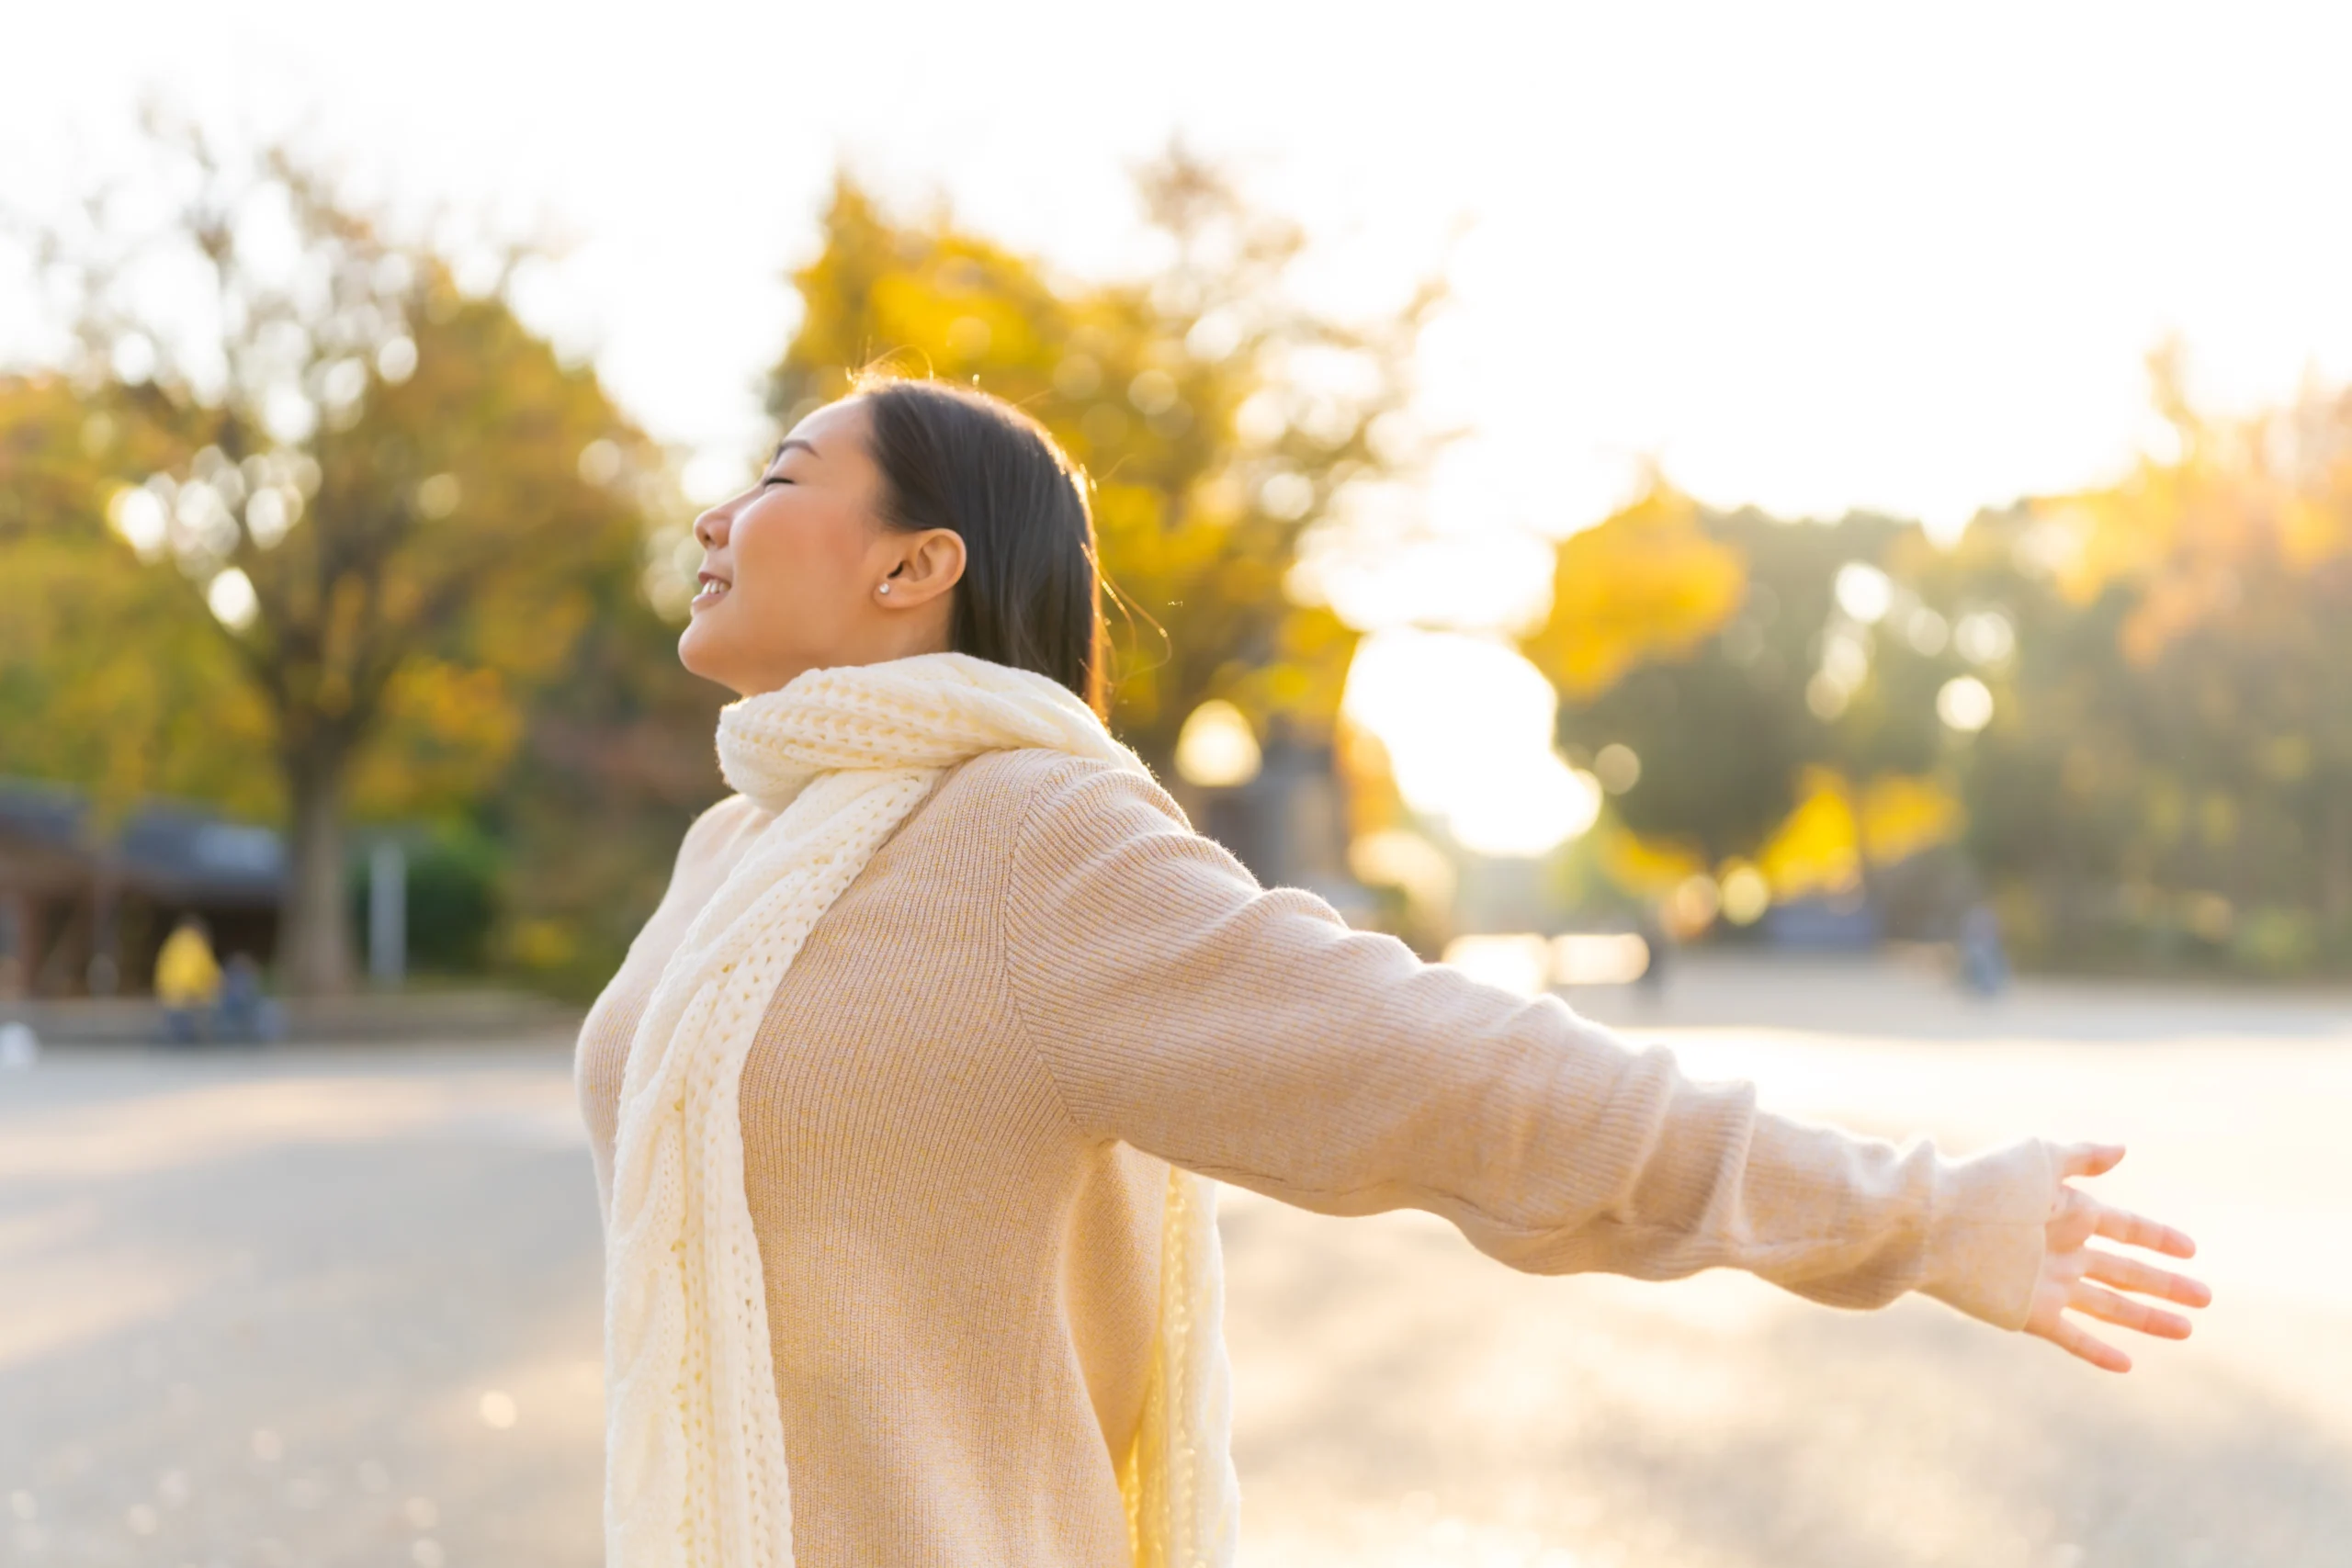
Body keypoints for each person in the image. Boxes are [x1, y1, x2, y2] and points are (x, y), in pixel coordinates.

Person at [574, 371, 2210, 1568]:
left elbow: (1460, 1073)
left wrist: (1914, 1210)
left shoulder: (1032, 842)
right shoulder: (744, 854)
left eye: (782, 476)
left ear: (914, 564)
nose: (718, 514)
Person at [153, 913, 220, 1046]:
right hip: (189, 1002)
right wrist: (206, 994)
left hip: (171, 1001)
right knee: (187, 1046)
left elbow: (162, 971)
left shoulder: (171, 943)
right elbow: (200, 973)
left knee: (174, 1042)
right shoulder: (195, 945)